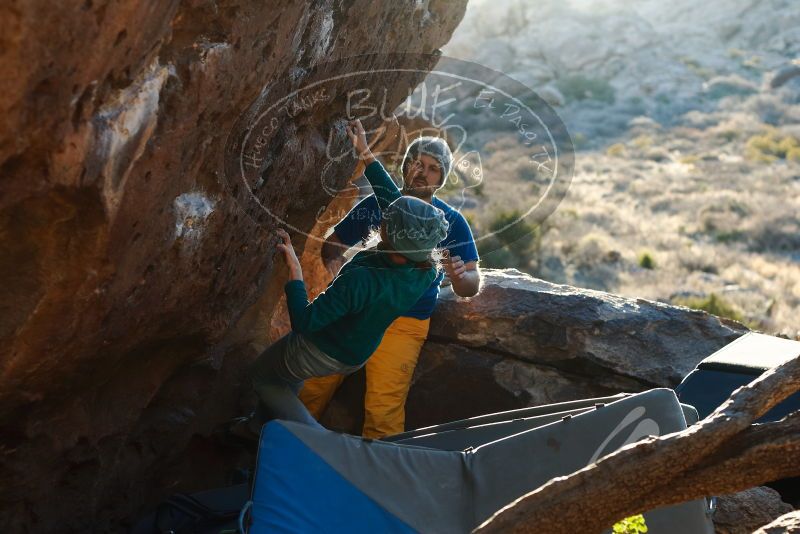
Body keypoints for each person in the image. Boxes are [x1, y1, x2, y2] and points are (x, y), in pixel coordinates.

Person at [229, 124, 450, 438]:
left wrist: (295, 270)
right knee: (289, 378)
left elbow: (305, 323)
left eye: (390, 217)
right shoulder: (424, 270)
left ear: (392, 232)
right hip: (355, 354)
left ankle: (308, 435)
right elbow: (393, 200)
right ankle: (254, 432)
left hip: (321, 348)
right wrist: (365, 151)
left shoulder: (361, 278)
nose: (386, 212)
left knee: (264, 377)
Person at [299, 120, 481, 439]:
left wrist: (460, 277)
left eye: (433, 168)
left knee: (384, 408)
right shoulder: (378, 203)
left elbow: (472, 284)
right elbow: (334, 243)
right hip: (354, 310)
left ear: (442, 178)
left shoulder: (451, 221)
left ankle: (374, 476)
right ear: (405, 166)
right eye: (416, 163)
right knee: (313, 386)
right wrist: (337, 272)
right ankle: (284, 447)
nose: (421, 172)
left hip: (405, 322)